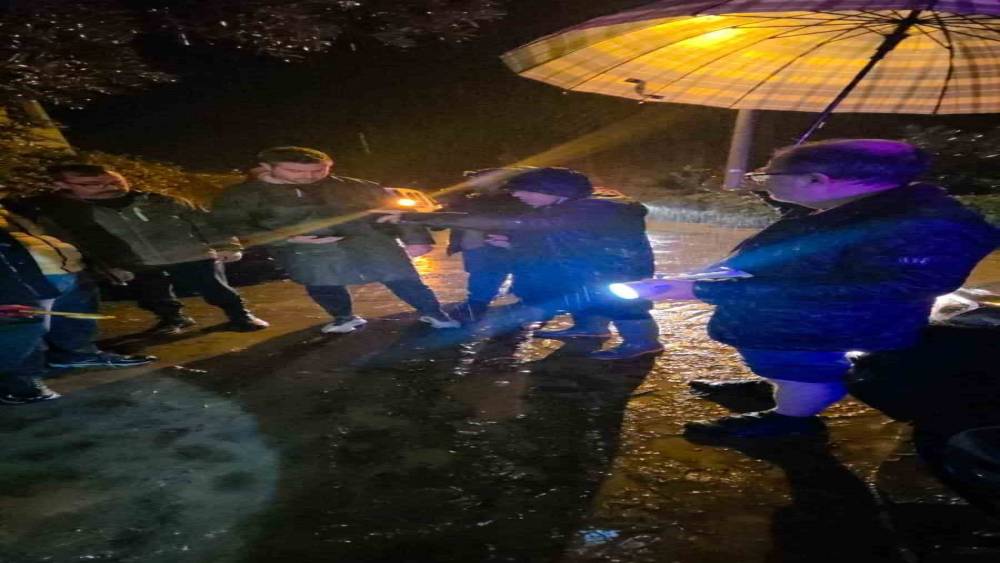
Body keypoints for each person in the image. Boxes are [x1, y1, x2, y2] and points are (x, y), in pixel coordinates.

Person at [642, 139, 998, 439]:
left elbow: (871, 289)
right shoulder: (853, 205)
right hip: (787, 321)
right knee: (782, 364)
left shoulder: (924, 228)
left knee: (805, 371)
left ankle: (793, 418)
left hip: (824, 327)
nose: (760, 183)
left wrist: (708, 290)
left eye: (766, 176)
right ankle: (782, 383)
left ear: (817, 179)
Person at [379, 167, 662, 360]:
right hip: (584, 267)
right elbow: (559, 238)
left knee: (622, 305)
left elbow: (518, 223)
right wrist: (514, 244)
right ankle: (590, 329)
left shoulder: (594, 208)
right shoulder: (569, 205)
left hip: (616, 268)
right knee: (586, 299)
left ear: (551, 189)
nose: (517, 196)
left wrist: (415, 216)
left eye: (524, 190)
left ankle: (643, 344)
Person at [211, 146, 458, 333]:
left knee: (403, 279)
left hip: (372, 244)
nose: (309, 176)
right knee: (323, 284)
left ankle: (434, 313)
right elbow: (232, 224)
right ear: (267, 167)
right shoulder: (243, 196)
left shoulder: (356, 187)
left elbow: (397, 211)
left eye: (319, 170)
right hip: (305, 252)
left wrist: (416, 238)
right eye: (295, 171)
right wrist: (287, 238)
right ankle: (343, 318)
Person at [6, 164, 269, 335]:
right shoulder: (65, 214)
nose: (110, 187)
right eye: (93, 184)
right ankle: (173, 319)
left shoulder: (158, 200)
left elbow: (205, 221)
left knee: (215, 287)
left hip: (188, 253)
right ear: (62, 186)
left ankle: (240, 315)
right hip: (131, 261)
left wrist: (226, 245)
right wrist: (106, 268)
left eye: (115, 181)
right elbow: (75, 243)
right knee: (152, 294)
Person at [1, 210, 154, 404]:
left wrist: (102, 264)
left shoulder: (14, 208)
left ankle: (75, 354)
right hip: (20, 276)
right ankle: (20, 382)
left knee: (75, 318)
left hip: (65, 268)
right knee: (22, 328)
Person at [438, 169, 529, 323]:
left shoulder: (502, 199)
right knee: (483, 275)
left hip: (490, 244)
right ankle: (478, 305)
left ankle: (476, 307)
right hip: (476, 245)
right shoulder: (472, 199)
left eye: (477, 179)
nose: (473, 182)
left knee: (486, 275)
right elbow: (442, 220)